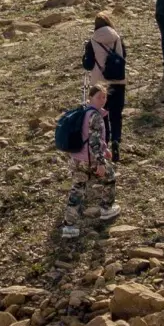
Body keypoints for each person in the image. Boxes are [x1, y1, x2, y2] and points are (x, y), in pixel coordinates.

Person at [62, 83, 118, 238]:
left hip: (77, 158)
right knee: (110, 177)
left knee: (77, 189)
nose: (102, 100)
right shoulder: (96, 116)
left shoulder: (83, 112)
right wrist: (100, 162)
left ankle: (69, 226)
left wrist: (104, 148)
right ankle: (107, 209)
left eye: (104, 97)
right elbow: (93, 141)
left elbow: (88, 137)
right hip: (90, 160)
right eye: (99, 97)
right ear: (91, 97)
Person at [81, 14, 126, 161]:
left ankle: (104, 145)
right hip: (119, 82)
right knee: (116, 115)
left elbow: (87, 65)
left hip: (100, 85)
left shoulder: (92, 42)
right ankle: (116, 141)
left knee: (102, 115)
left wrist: (85, 55)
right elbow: (124, 56)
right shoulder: (118, 38)